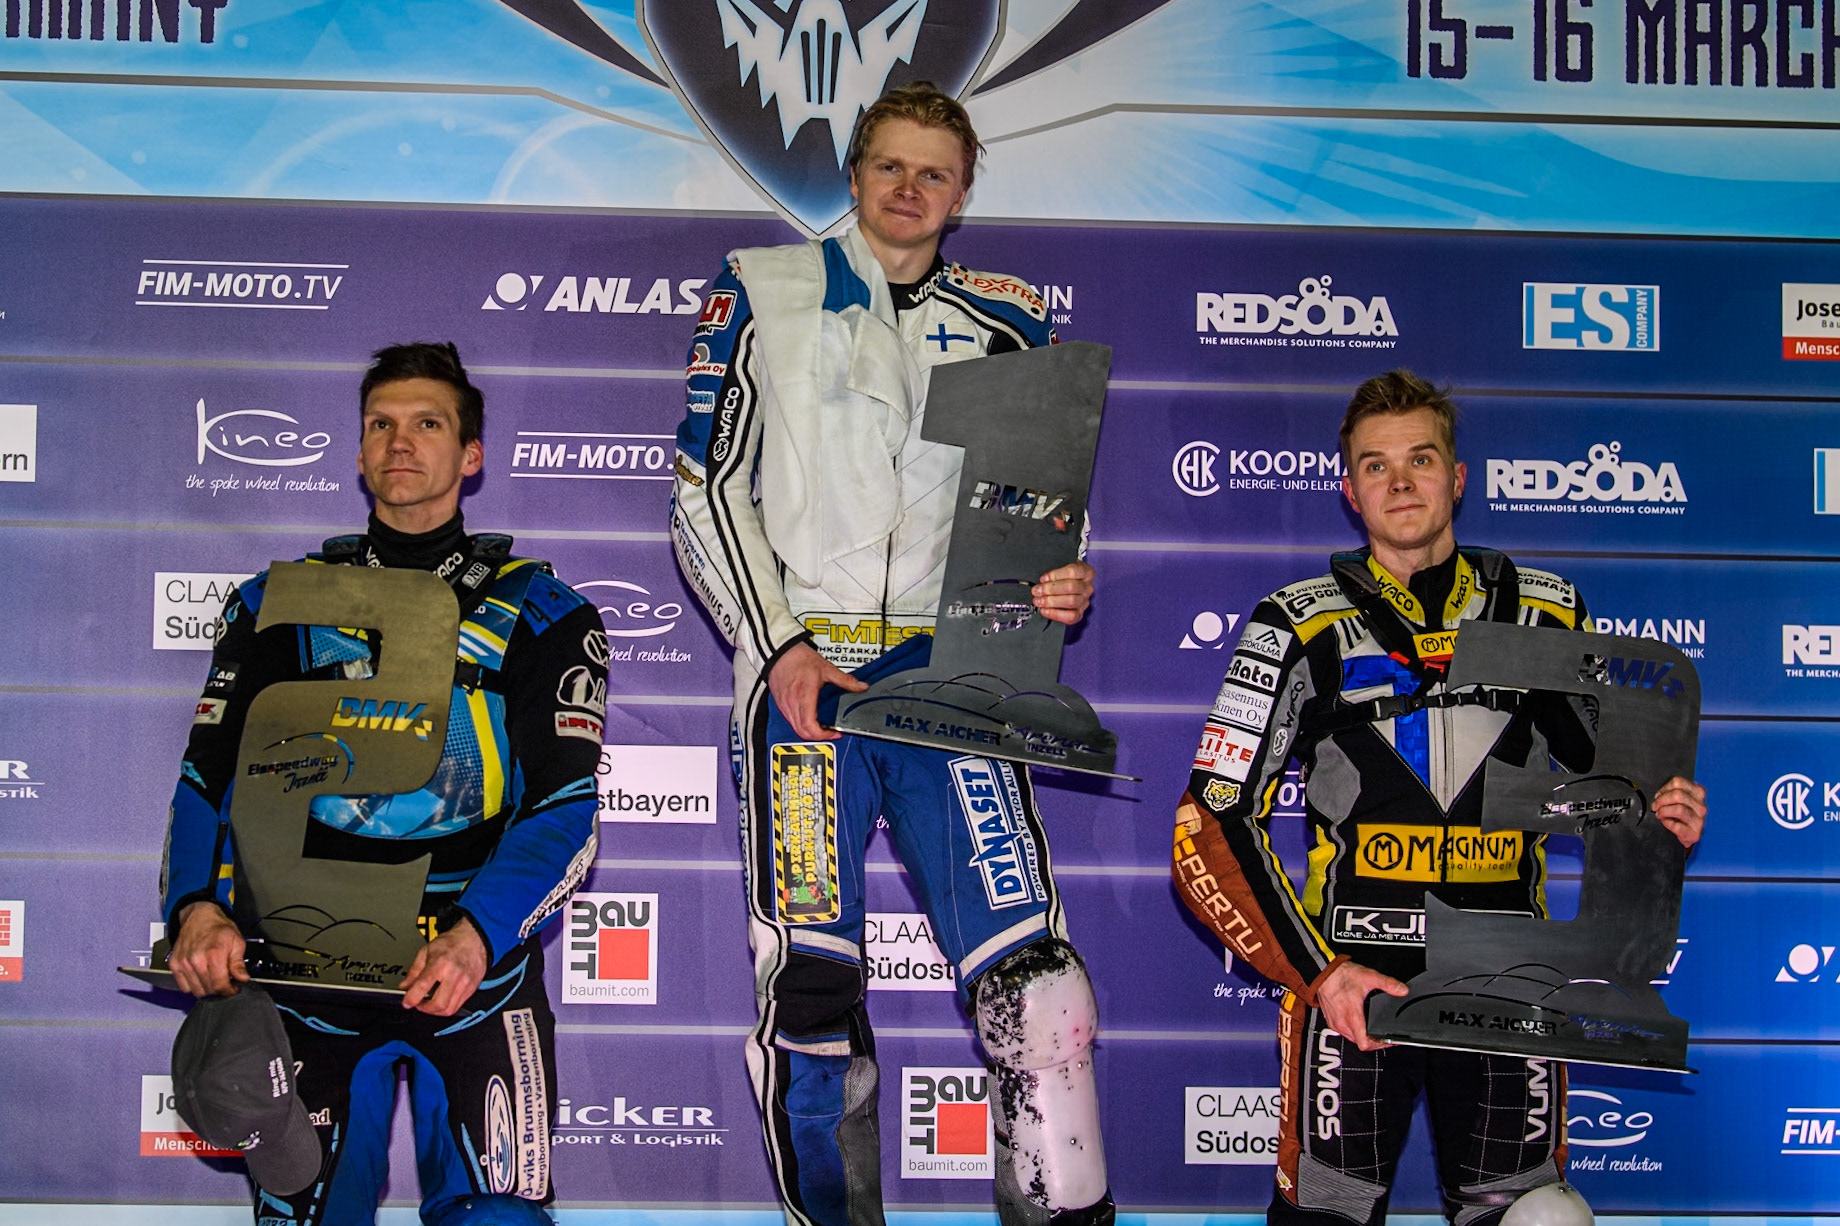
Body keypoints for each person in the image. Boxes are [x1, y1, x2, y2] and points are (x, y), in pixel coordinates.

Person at [670, 81, 1113, 1226]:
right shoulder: (761, 289)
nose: (910, 190)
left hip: (950, 672)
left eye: (936, 173)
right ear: (855, 172)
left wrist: (1061, 570)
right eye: (890, 167)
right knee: (810, 996)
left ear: (962, 194)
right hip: (802, 682)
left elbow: (1032, 507)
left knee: (1039, 989)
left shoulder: (1010, 320)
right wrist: (780, 647)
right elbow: (704, 489)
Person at [1172, 370, 1708, 1226]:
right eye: (1376, 466)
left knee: (1540, 1218)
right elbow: (1208, 823)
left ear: (1458, 477)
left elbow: (1608, 786)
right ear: (1349, 491)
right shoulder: (1295, 625)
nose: (1401, 482)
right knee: (1327, 1217)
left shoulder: (1546, 612)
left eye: (1421, 459)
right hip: (1359, 992)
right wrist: (1324, 974)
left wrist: (1657, 815)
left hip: (1511, 986)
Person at [160, 342, 606, 1226]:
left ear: (470, 456)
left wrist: (477, 937)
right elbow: (204, 781)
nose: (401, 443)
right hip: (306, 966)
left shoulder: (542, 611)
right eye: (382, 426)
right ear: (359, 451)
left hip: (473, 971)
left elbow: (565, 810)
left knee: (500, 1220)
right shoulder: (270, 604)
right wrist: (192, 910)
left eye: (428, 424)